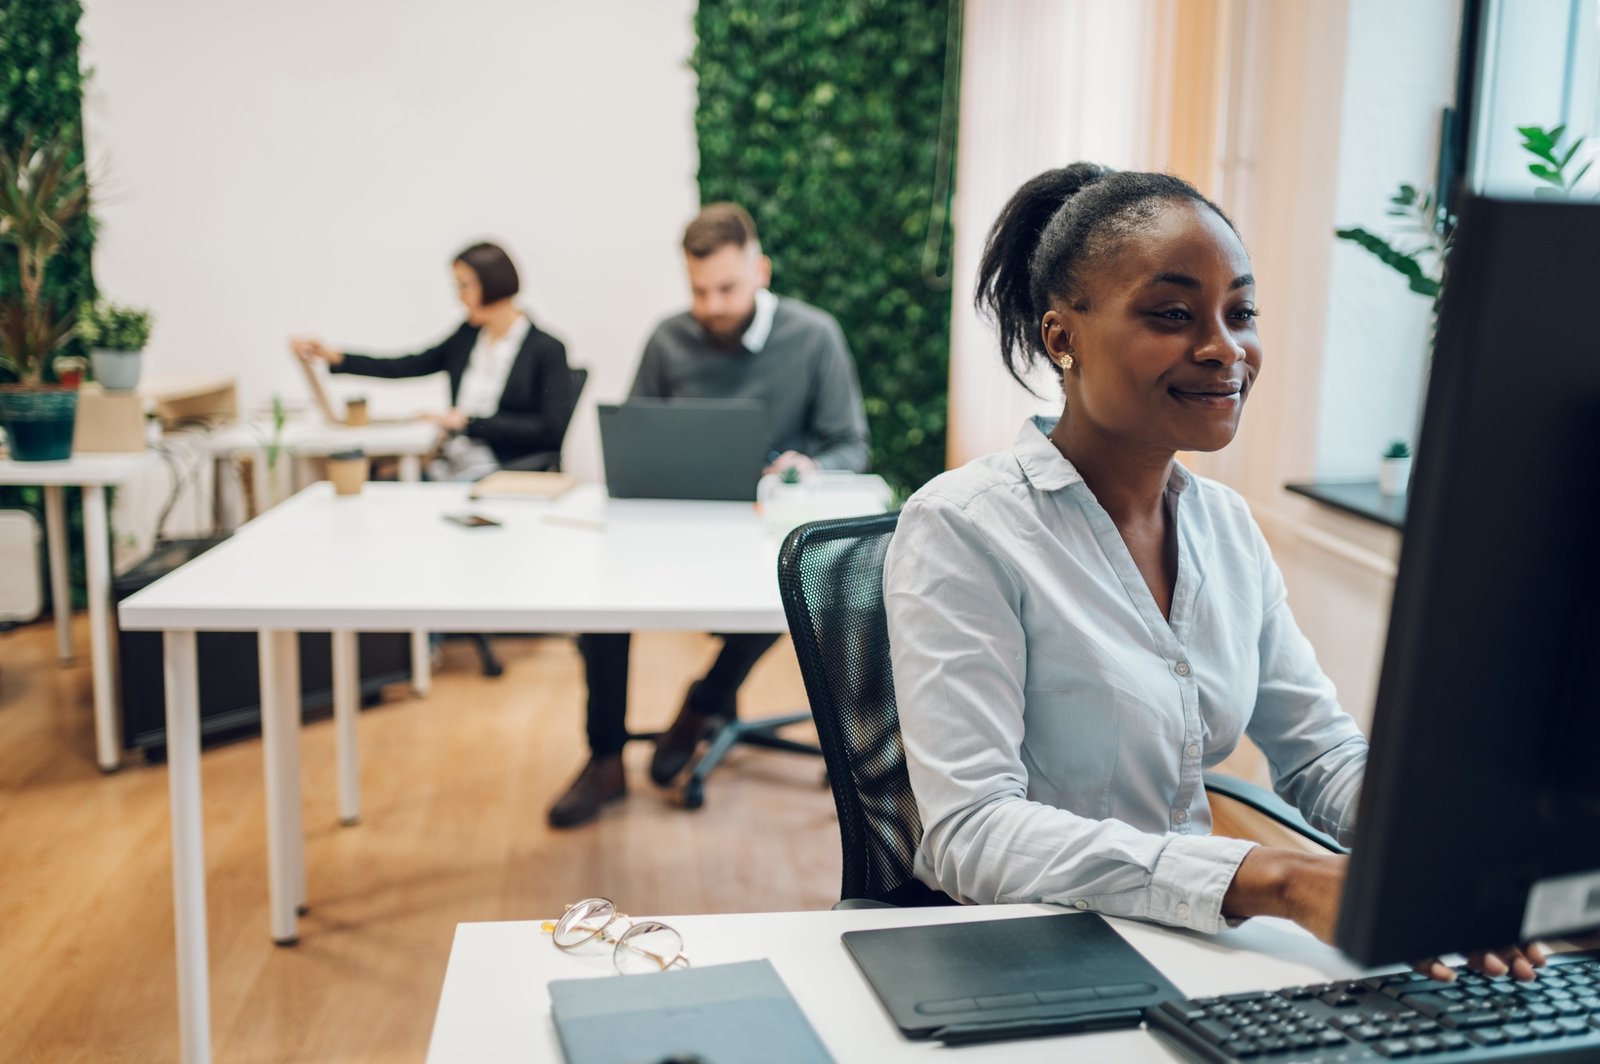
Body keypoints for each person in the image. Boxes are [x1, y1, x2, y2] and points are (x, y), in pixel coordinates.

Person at [882, 163, 1545, 981]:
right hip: (1025, 963)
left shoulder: (1225, 528)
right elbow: (969, 833)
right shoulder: (964, 527)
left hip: (1192, 948)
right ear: (1064, 338)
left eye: (1241, 312)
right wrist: (1273, 876)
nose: (1224, 349)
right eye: (1173, 314)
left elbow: (1321, 754)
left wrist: (1450, 856)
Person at [546, 202, 871, 829]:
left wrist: (805, 468)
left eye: (726, 288)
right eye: (699, 291)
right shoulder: (670, 336)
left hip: (764, 527)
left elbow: (850, 446)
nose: (712, 305)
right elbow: (637, 431)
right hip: (679, 521)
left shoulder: (814, 336)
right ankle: (605, 757)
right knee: (601, 600)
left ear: (761, 271)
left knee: (797, 581)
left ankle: (704, 703)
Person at [291, 241, 571, 480]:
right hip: (456, 460)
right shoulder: (469, 336)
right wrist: (336, 356)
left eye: (464, 286)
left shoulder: (546, 349)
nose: (459, 297)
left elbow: (548, 430)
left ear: (492, 282)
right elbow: (407, 365)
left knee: (392, 484)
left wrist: (466, 422)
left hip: (503, 469)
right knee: (380, 474)